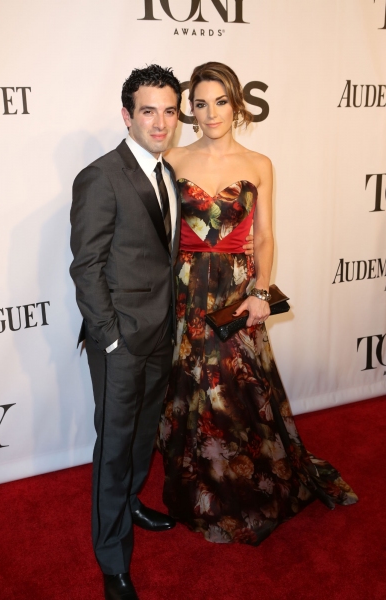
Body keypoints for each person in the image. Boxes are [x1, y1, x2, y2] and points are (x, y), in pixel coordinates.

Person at [159, 62, 358, 546]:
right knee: (195, 386)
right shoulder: (173, 159)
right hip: (186, 285)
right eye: (200, 104)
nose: (210, 113)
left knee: (239, 384)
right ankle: (201, 488)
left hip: (237, 289)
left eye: (220, 102)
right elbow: (160, 233)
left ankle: (249, 486)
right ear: (191, 109)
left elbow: (266, 236)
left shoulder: (259, 163)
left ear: (236, 103)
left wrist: (262, 289)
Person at [70, 65, 182, 600]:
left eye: (169, 110)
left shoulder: (168, 172)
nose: (160, 122)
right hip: (120, 342)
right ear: (126, 115)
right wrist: (110, 337)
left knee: (143, 434)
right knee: (114, 446)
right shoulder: (100, 176)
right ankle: (112, 559)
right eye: (148, 110)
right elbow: (86, 267)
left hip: (160, 334)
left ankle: (133, 501)